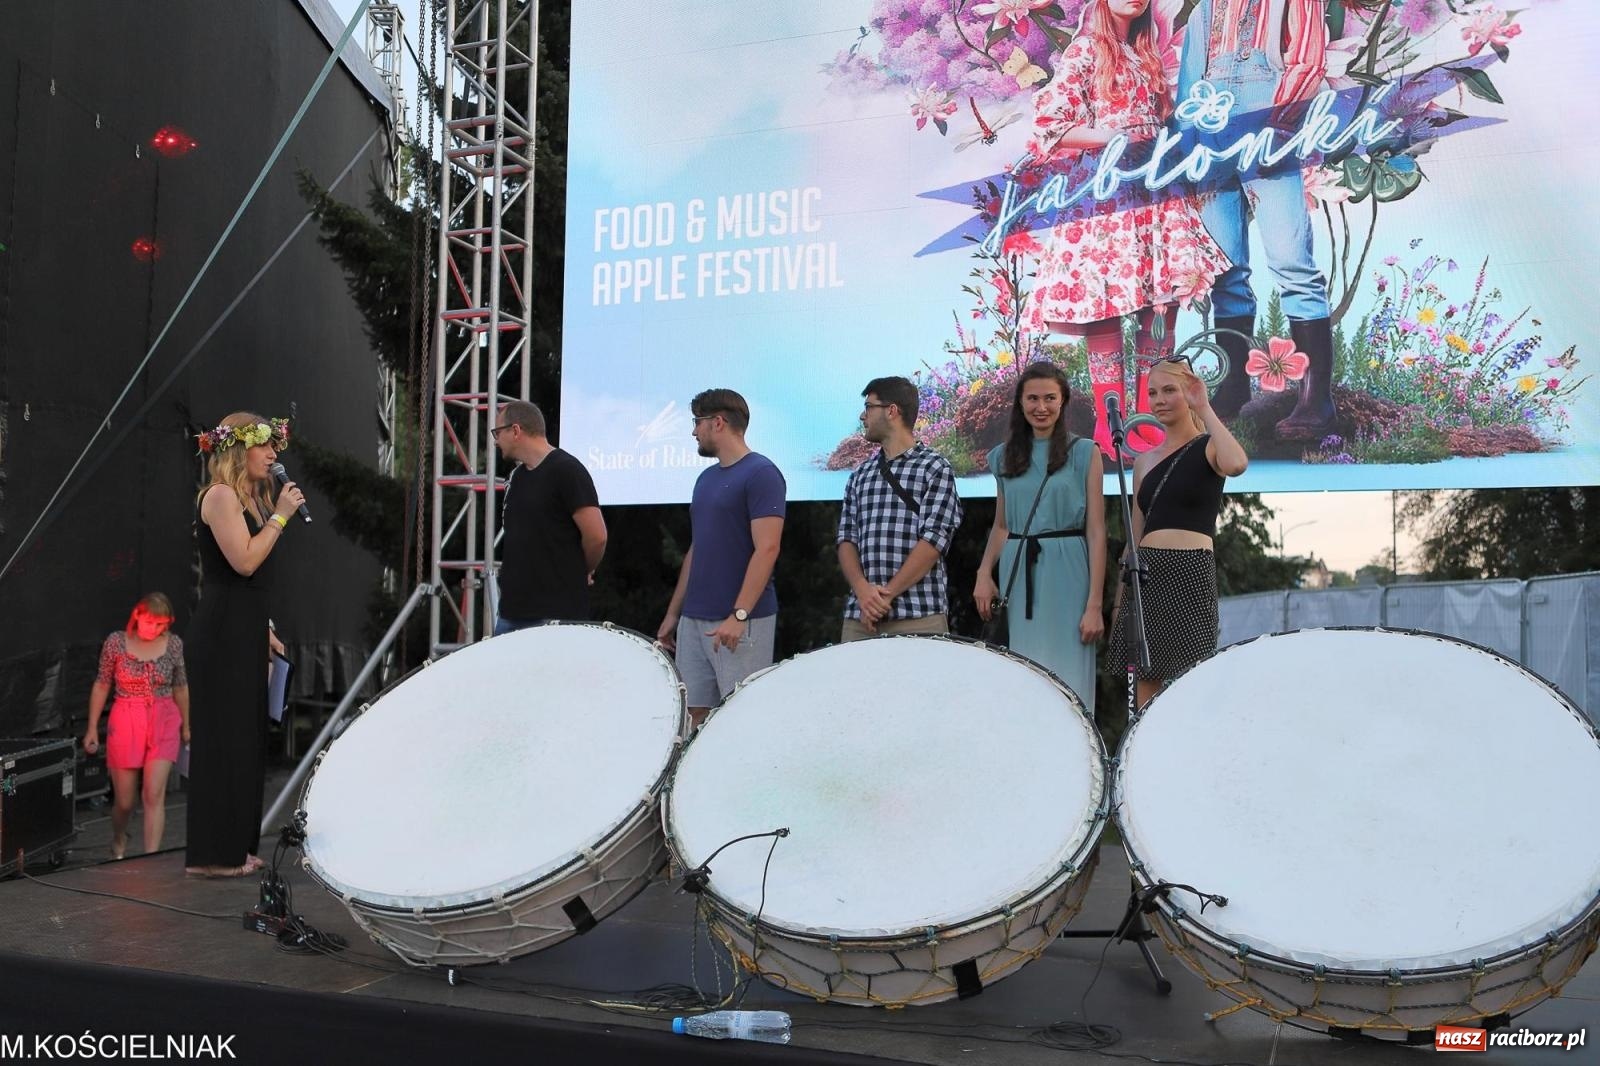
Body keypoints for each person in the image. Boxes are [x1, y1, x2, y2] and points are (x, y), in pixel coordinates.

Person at [1022, 0, 1230, 461]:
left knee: (1164, 298)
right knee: (1107, 302)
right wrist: (1114, 136)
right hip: (1109, 185)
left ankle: (1152, 421)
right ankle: (1111, 426)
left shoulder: (1145, 50)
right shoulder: (1085, 50)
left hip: (1154, 183)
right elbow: (1048, 126)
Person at [1171, 0, 1336, 436]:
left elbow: (1307, 59)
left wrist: (1275, 125)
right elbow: (1190, 81)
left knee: (1290, 260)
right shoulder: (1205, 8)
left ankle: (1316, 398)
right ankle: (1232, 386)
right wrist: (1187, 152)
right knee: (1224, 267)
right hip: (1211, 135)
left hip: (1269, 127)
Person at [185, 412, 302, 878]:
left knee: (247, 738)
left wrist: (265, 626)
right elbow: (245, 563)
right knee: (222, 740)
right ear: (239, 449)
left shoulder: (253, 497)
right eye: (265, 446)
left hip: (246, 627)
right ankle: (212, 855)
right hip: (220, 633)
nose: (274, 456)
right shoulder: (220, 496)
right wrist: (282, 516)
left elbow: (252, 585)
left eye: (277, 447)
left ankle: (235, 847)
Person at [1109, 358, 1248, 707]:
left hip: (1191, 572)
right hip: (1146, 575)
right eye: (1152, 392)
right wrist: (1118, 602)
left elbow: (1237, 464)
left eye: (1169, 390)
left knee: (1194, 678)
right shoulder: (1144, 461)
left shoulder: (1209, 446)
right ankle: (1140, 756)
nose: (1159, 399)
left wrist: (1204, 406)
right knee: (1144, 679)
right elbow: (1134, 537)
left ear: (1188, 392)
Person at [974, 364, 1106, 713]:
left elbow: (1096, 530)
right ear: (1020, 402)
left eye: (1050, 398)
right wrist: (984, 573)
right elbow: (1002, 525)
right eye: (1032, 398)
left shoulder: (1084, 452)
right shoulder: (1002, 457)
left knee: (1069, 676)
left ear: (1063, 402)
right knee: (1023, 673)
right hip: (1018, 573)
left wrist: (1094, 604)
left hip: (1069, 568)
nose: (1041, 407)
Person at [656, 390, 786, 726]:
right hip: (695, 619)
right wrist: (674, 614)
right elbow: (698, 548)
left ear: (719, 422)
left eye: (697, 423)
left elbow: (768, 548)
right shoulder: (706, 479)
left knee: (740, 717)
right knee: (693, 714)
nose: (693, 432)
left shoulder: (762, 473)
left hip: (739, 621)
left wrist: (739, 614)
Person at [837, 376, 964, 640]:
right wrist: (863, 591)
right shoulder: (860, 474)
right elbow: (847, 539)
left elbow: (933, 542)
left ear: (892, 411)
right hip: (861, 618)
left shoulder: (935, 467)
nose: (863, 416)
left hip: (920, 616)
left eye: (869, 407)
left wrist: (884, 597)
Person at [82, 593, 190, 859]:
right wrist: (92, 727)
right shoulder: (117, 643)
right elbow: (102, 683)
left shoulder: (174, 644)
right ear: (137, 616)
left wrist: (187, 725)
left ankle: (150, 857)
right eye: (149, 622)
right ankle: (119, 836)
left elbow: (181, 687)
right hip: (127, 716)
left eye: (160, 624)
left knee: (154, 794)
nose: (154, 629)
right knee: (125, 801)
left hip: (163, 716)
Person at [491, 400, 607, 634]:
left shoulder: (567, 470)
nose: (495, 440)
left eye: (497, 432)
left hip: (556, 614)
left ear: (515, 431)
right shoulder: (516, 478)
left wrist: (579, 570)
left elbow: (597, 536)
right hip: (512, 612)